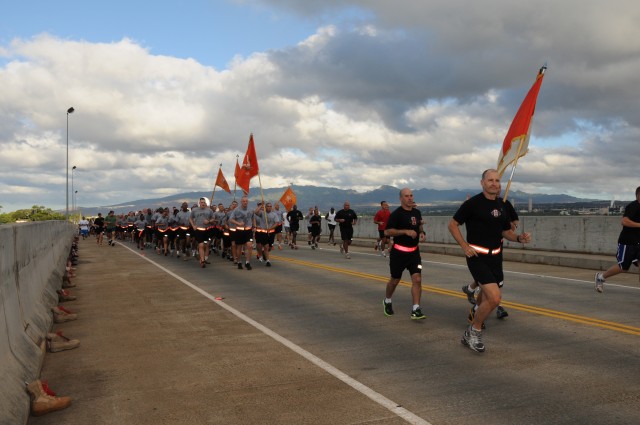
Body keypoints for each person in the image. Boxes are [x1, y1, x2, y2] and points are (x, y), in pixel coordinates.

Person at [448, 169, 531, 353]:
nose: (495, 183)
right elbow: (452, 224)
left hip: (496, 257)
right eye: (490, 180)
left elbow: (505, 231)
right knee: (495, 298)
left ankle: (472, 327)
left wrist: (518, 238)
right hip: (477, 256)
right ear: (482, 183)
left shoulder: (502, 205)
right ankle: (474, 331)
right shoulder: (472, 204)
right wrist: (464, 245)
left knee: (487, 298)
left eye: (497, 180)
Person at [462, 190, 519, 321]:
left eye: (498, 185)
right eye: (492, 182)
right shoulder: (478, 204)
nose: (496, 189)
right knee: (489, 285)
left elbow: (514, 221)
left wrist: (513, 227)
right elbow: (455, 223)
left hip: (497, 250)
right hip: (479, 252)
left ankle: (474, 300)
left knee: (494, 283)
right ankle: (492, 308)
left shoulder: (504, 204)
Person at [382, 188, 427, 320]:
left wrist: (422, 233)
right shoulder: (396, 214)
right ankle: (387, 301)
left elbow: (419, 226)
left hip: (414, 253)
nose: (410, 198)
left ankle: (416, 309)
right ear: (401, 198)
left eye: (411, 195)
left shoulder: (417, 212)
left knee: (417, 279)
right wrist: (405, 232)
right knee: (395, 280)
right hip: (399, 253)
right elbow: (387, 232)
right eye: (406, 196)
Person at [595, 186, 640, 292]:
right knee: (623, 267)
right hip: (627, 242)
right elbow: (624, 221)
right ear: (638, 195)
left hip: (639, 242)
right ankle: (601, 277)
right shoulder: (633, 206)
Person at [228, 196, 254, 270]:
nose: (245, 202)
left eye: (246, 201)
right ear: (241, 202)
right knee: (239, 247)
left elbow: (253, 217)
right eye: (244, 201)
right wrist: (238, 223)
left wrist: (254, 225)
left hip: (248, 230)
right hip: (239, 230)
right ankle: (239, 262)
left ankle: (247, 262)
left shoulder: (250, 209)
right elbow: (231, 219)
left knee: (249, 246)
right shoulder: (236, 210)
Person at [189, 197, 214, 268]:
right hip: (199, 230)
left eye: (204, 202)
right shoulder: (195, 210)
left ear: (205, 203)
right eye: (201, 202)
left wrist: (208, 221)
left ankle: (202, 257)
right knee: (201, 245)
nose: (203, 203)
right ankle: (202, 261)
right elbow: (190, 218)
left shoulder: (209, 210)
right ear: (199, 203)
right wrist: (193, 225)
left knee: (206, 246)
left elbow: (213, 218)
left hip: (207, 230)